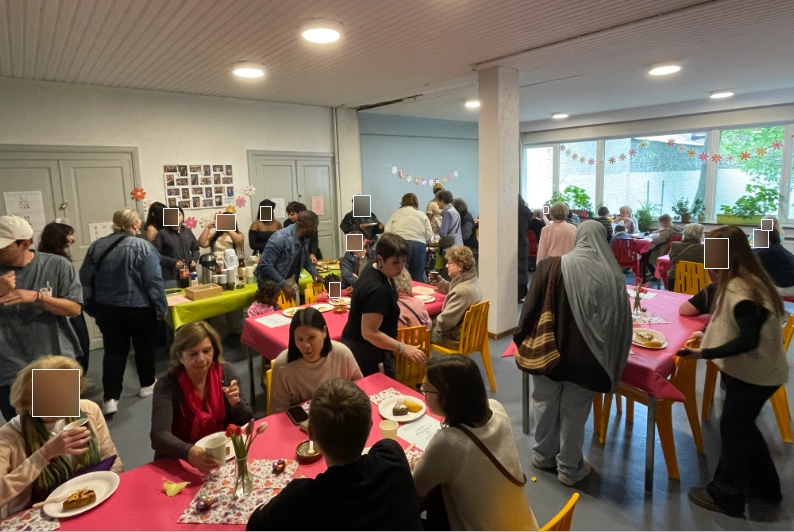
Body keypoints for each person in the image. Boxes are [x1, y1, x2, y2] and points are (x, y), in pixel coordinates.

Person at [678, 226, 788, 517]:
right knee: (743, 429)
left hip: (755, 374)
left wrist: (704, 353)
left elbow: (748, 339)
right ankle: (766, 489)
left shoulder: (742, 290)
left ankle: (727, 494)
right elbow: (733, 326)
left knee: (734, 431)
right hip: (757, 372)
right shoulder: (747, 281)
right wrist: (708, 335)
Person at [514, 220, 632, 486]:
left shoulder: (550, 266)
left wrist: (520, 339)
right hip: (588, 358)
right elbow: (620, 323)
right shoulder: (613, 276)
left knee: (544, 403)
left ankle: (542, 456)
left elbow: (529, 309)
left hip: (548, 352)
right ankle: (569, 468)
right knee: (575, 412)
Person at [246, 378, 422, 530]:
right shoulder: (392, 455)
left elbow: (254, 526)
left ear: (310, 433)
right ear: (370, 426)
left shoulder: (301, 498)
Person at [411, 356, 538, 530]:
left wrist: (417, 464)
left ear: (448, 396)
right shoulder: (496, 408)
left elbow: (414, 488)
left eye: (426, 389)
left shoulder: (448, 442)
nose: (423, 394)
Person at [0, 356, 123, 519]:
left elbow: (112, 460)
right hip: (39, 515)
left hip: (92, 500)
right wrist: (43, 455)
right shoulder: (10, 436)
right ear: (28, 402)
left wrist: (112, 497)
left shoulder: (88, 410)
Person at [80, 209, 167, 415]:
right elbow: (154, 282)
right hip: (140, 309)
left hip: (108, 310)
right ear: (135, 224)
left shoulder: (97, 246)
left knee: (113, 352)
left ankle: (110, 398)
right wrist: (161, 309)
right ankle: (147, 385)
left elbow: (85, 280)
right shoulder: (144, 247)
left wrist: (90, 307)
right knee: (144, 348)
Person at [0, 216, 83, 422]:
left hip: (52, 361)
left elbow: (74, 309)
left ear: (25, 243)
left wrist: (38, 297)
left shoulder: (57, 265)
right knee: (21, 432)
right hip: (8, 367)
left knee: (59, 430)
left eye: (4, 246)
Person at [150, 321, 254, 473]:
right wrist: (189, 452)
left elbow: (246, 420)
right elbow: (159, 435)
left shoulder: (226, 373)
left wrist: (236, 404)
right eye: (193, 354)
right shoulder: (167, 385)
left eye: (207, 351)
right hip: (181, 460)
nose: (202, 359)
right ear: (179, 356)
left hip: (220, 455)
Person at [341, 233, 426, 378]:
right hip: (366, 351)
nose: (401, 267)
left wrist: (392, 313)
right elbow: (369, 333)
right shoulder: (377, 290)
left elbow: (374, 308)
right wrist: (403, 348)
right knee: (379, 387)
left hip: (364, 344)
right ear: (380, 259)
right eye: (395, 262)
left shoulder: (374, 267)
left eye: (403, 261)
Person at [270, 308, 362, 413]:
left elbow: (359, 388)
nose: (306, 346)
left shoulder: (341, 353)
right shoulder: (283, 365)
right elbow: (279, 411)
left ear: (324, 331)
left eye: (311, 337)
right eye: (300, 339)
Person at [38, 221, 91, 377]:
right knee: (77, 348)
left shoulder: (57, 260)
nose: (72, 239)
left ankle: (76, 383)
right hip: (63, 314)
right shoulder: (58, 262)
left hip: (66, 310)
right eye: (69, 235)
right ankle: (76, 381)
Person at [255, 211, 323, 304]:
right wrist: (283, 284)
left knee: (295, 311)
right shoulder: (280, 238)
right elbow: (265, 265)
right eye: (314, 227)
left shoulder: (304, 237)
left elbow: (305, 258)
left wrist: (314, 273)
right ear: (308, 226)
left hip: (289, 280)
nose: (315, 230)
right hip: (270, 287)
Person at [431, 246, 481, 348]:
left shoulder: (461, 292)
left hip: (455, 336)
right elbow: (456, 289)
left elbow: (444, 323)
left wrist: (427, 322)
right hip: (468, 331)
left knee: (420, 328)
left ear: (460, 266)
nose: (446, 265)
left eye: (450, 263)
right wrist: (443, 284)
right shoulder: (472, 280)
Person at [384, 193, 434, 282]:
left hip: (400, 244)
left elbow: (387, 231)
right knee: (417, 277)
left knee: (400, 276)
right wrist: (423, 241)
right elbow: (429, 234)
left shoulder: (396, 213)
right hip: (419, 245)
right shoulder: (421, 214)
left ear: (402, 202)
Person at [152, 206, 200, 288]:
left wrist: (194, 259)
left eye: (179, 214)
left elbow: (195, 249)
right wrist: (173, 263)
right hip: (171, 277)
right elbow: (155, 255)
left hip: (189, 275)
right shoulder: (162, 233)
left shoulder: (188, 231)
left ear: (183, 216)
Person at [642, 214, 683, 282]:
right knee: (646, 254)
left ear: (664, 222)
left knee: (645, 255)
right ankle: (654, 274)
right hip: (671, 251)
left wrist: (653, 238)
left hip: (663, 251)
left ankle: (654, 274)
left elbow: (659, 240)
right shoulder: (677, 228)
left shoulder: (668, 231)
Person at [755, 229, 794, 296]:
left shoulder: (767, 252)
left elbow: (750, 262)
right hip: (790, 285)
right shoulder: (777, 248)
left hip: (786, 288)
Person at [667, 223, 705, 291]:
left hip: (676, 282)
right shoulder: (706, 248)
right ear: (700, 235)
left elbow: (672, 259)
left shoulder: (674, 246)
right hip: (700, 284)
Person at [453, 198, 478, 265]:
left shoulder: (466, 218)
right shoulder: (463, 216)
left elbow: (466, 234)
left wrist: (455, 238)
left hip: (470, 248)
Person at [518, 195, 531, 300]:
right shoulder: (525, 210)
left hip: (511, 240)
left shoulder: (508, 210)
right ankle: (522, 292)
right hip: (522, 241)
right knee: (522, 268)